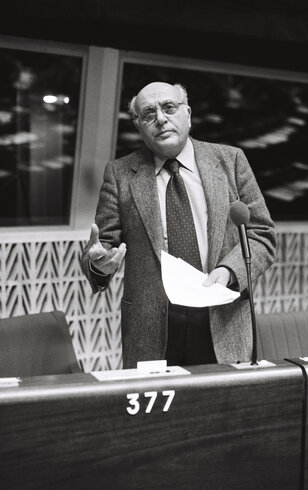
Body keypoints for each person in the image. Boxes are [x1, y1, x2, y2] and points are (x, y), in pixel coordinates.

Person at [81, 81, 276, 368]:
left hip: (222, 319)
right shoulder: (120, 174)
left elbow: (262, 235)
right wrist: (99, 265)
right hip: (152, 329)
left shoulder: (230, 161)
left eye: (169, 108)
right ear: (138, 124)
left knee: (225, 410)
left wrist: (227, 272)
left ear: (187, 113)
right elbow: (104, 248)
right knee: (155, 414)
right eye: (148, 113)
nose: (160, 119)